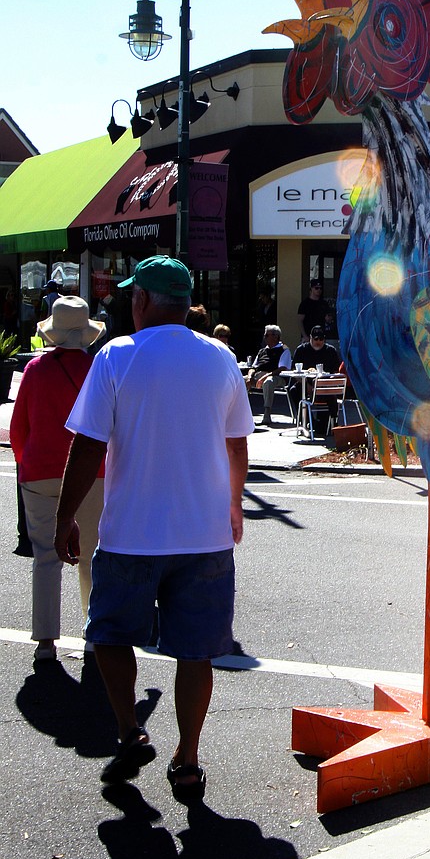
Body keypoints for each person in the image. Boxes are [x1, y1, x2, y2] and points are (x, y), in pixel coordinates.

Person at [54, 256, 254, 801]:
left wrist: (65, 515)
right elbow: (237, 443)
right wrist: (234, 503)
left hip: (131, 534)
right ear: (185, 303)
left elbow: (88, 444)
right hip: (205, 535)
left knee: (109, 635)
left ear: (141, 300)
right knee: (196, 652)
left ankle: (130, 730)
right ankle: (187, 759)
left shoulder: (117, 355)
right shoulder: (221, 358)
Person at [10, 296, 106, 663]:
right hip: (90, 472)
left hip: (40, 471)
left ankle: (46, 642)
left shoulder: (34, 369)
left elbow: (19, 428)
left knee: (45, 556)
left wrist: (27, 463)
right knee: (91, 554)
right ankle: (93, 635)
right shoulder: (97, 369)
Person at [289, 326, 341, 431]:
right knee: (294, 390)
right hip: (305, 383)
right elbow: (294, 371)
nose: (318, 341)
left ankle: (329, 423)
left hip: (325, 385)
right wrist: (307, 385)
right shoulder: (302, 350)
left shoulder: (330, 351)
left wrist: (323, 385)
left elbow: (336, 372)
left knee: (322, 429)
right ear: (310, 338)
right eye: (316, 338)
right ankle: (307, 420)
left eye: (321, 339)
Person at [244, 324, 290, 393]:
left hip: (276, 377)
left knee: (268, 381)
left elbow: (282, 369)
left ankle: (267, 401)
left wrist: (266, 376)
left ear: (275, 337)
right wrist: (249, 377)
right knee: (240, 379)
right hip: (258, 375)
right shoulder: (262, 351)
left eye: (267, 335)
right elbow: (253, 367)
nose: (264, 338)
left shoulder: (284, 350)